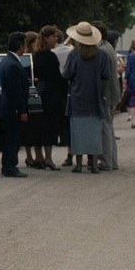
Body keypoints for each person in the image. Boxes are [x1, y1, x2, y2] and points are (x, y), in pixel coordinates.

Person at [62, 22, 110, 174]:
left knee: (77, 132)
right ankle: (94, 164)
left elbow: (66, 74)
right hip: (95, 98)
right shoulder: (102, 55)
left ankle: (78, 164)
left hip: (77, 98)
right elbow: (106, 75)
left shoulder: (74, 55)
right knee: (94, 133)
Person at [32, 25, 66, 170]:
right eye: (53, 36)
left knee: (40, 126)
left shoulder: (36, 55)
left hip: (41, 91)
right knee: (50, 126)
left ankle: (39, 156)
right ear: (46, 38)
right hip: (52, 94)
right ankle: (49, 158)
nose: (55, 39)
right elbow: (57, 77)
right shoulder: (50, 56)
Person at [0, 32, 31, 177]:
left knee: (10, 138)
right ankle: (10, 166)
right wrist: (22, 110)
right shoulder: (12, 64)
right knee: (13, 138)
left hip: (8, 108)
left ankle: (8, 165)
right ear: (20, 45)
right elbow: (15, 91)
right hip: (13, 110)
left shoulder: (7, 61)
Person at [92, 21, 120, 171]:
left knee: (104, 128)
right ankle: (112, 160)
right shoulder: (108, 47)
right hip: (112, 92)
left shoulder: (101, 50)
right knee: (109, 127)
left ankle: (106, 161)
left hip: (106, 93)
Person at [52, 30, 74, 167]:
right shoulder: (71, 51)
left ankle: (69, 152)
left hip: (58, 89)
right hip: (71, 88)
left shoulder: (53, 53)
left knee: (64, 122)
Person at [23, 31, 43, 169]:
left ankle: (36, 155)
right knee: (31, 128)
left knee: (35, 128)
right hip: (30, 94)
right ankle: (32, 155)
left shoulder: (35, 57)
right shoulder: (28, 58)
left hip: (33, 94)